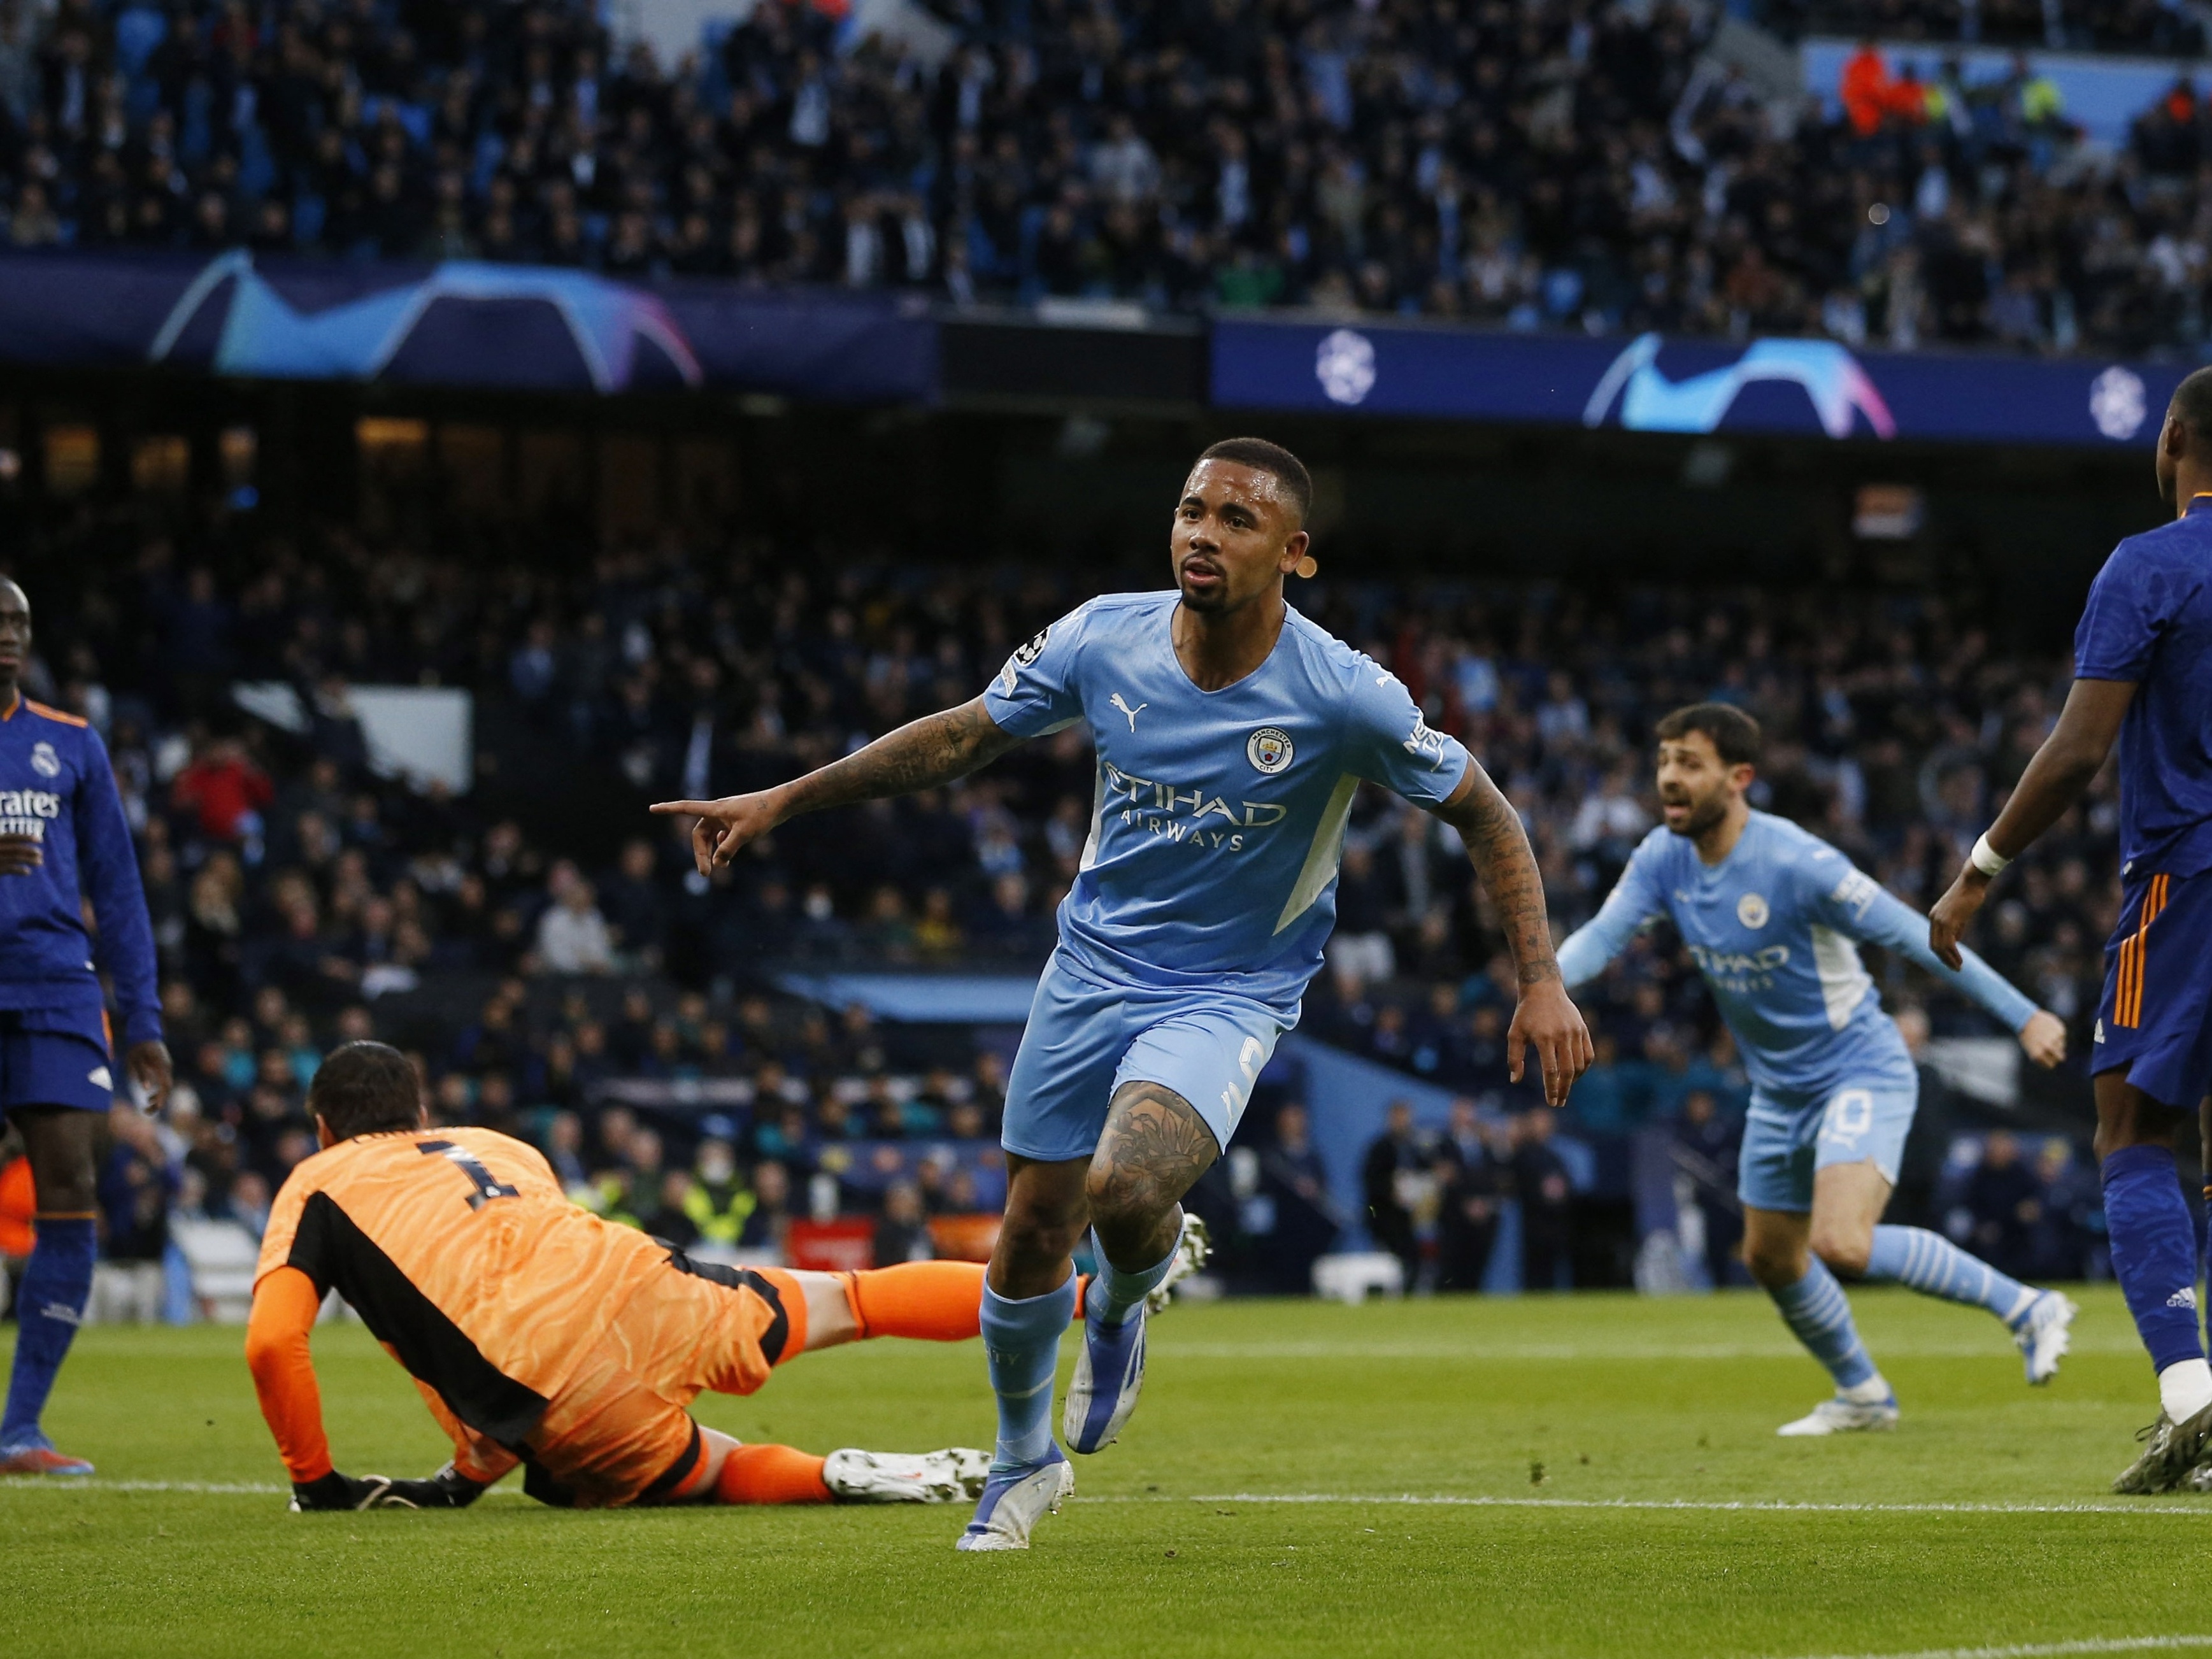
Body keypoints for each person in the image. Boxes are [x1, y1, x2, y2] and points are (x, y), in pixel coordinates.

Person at [653, 436, 1591, 1549]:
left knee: (1117, 1183)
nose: (1202, 532)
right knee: (1030, 1225)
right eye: (1191, 510)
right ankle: (1022, 1459)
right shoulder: (1104, 636)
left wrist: (1541, 983)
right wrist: (782, 801)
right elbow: (958, 738)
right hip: (1086, 970)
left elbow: (1486, 812)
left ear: (1294, 554)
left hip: (1229, 990)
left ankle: (1129, 1292)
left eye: (1236, 520)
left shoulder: (1345, 695)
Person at [1557, 702, 2074, 1437]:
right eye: (1664, 760)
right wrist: (1541, 987)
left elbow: (1917, 935)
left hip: (1858, 1071)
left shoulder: (1797, 863)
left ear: (1738, 778)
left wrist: (2023, 1014)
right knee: (1769, 1256)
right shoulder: (1660, 858)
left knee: (1840, 1241)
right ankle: (1862, 1391)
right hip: (1777, 1091)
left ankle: (2028, 1306)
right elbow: (1601, 938)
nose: (1669, 778)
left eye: (1689, 763)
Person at [245, 1041, 1008, 1513]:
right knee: (856, 1298)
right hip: (646, 1283)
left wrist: (317, 1483)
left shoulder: (318, 1180)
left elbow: (275, 1343)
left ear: (322, 1128)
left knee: (715, 1467)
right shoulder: (496, 1145)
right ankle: (1088, 1295)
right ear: (419, 1111)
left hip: (558, 1391)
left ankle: (830, 1474)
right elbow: (524, 1269)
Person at [1930, 366, 2212, 1492]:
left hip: (2184, 877)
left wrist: (1976, 873)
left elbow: (2078, 750)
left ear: (2175, 437)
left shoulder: (2148, 565)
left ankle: (2189, 1394)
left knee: (2132, 1132)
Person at [0, 580, 172, 1474]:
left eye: (20, 622)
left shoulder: (69, 742)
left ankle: (19, 1429)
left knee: (70, 1186)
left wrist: (141, 1016)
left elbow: (120, 885)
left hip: (58, 991)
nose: (8, 635)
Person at [1361, 1100, 1425, 1288]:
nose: (1402, 1121)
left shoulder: (1415, 1147)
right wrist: (1392, 1191)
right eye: (1398, 1117)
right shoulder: (1379, 1148)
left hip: (1409, 1218)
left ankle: (1406, 1297)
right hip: (1384, 1218)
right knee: (1387, 1264)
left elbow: (1425, 1175)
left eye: (1405, 1116)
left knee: (1413, 1260)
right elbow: (1370, 1180)